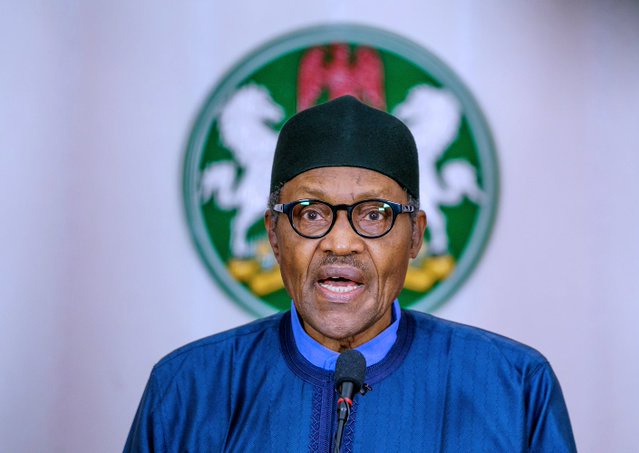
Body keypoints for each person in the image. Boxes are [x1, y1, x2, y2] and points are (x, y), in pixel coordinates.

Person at [124, 96, 577, 452]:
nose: (340, 243)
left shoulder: (514, 387)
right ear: (274, 235)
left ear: (415, 236)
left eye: (375, 214)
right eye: (311, 213)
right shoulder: (186, 388)